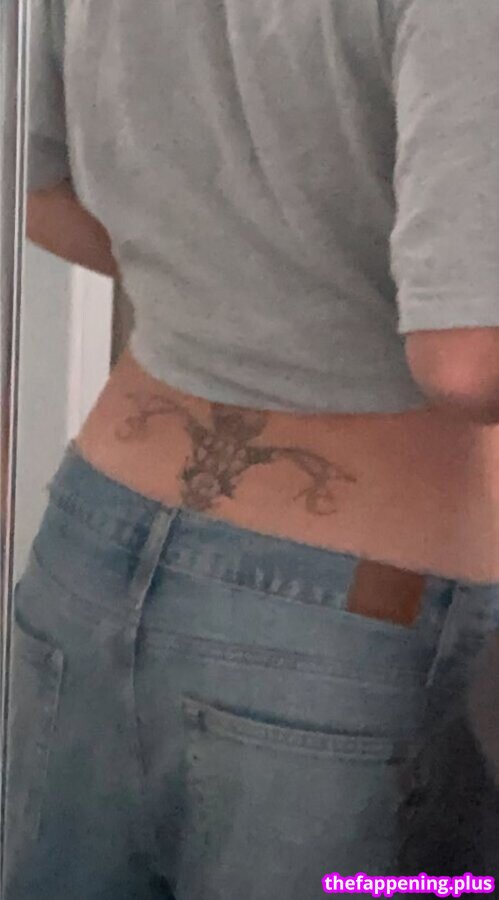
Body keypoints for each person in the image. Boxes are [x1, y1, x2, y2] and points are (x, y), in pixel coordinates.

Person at [6, 0, 499, 896]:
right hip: (351, 609)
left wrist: (223, 290)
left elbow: (30, 186)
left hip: (91, 539)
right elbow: (466, 360)